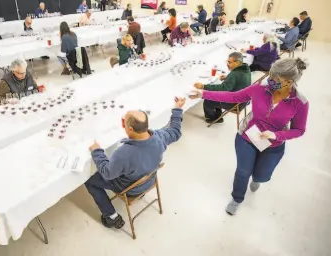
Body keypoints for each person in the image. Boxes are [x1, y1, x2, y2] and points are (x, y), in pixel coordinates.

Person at [190, 58, 309, 216]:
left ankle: (257, 179)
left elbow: (299, 130)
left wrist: (276, 135)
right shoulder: (261, 88)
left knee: (261, 175)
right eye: (270, 75)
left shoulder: (300, 102)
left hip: (273, 145)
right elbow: (233, 97)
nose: (270, 80)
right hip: (247, 136)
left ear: (288, 82)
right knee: (242, 171)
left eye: (275, 78)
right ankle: (237, 198)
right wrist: (203, 93)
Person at [85, 96, 185, 229]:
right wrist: (178, 108)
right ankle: (138, 194)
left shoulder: (124, 154)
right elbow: (175, 131)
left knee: (90, 181)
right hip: (149, 180)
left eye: (124, 123)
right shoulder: (159, 137)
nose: (123, 125)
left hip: (129, 187)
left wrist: (97, 151)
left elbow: (107, 173)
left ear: (130, 129)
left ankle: (111, 217)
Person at [194, 52, 251, 123]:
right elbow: (239, 79)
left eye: (230, 62)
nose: (227, 64)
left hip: (236, 104)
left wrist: (203, 86)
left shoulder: (234, 74)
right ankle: (218, 115)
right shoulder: (246, 69)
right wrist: (228, 78)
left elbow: (223, 89)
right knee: (215, 97)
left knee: (208, 101)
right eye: (227, 62)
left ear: (237, 63)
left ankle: (213, 118)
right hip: (244, 101)